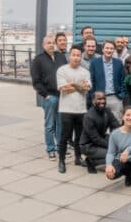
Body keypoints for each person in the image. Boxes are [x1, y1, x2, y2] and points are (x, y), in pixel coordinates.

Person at [56, 45, 91, 173]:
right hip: (66, 109)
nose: (76, 57)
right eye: (74, 55)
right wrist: (79, 86)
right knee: (64, 136)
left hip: (81, 109)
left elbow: (87, 88)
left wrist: (72, 84)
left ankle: (78, 157)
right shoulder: (62, 70)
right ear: (69, 56)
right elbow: (62, 88)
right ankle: (61, 161)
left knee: (79, 136)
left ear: (80, 57)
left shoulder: (85, 72)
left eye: (78, 55)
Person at [33, 36, 67, 159]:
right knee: (49, 125)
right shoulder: (38, 60)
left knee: (60, 124)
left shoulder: (61, 57)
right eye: (48, 43)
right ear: (43, 45)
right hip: (49, 97)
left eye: (52, 43)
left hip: (62, 96)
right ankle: (50, 148)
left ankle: (60, 147)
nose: (51, 45)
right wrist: (45, 95)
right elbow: (36, 81)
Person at [80, 90, 119, 173]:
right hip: (88, 145)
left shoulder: (107, 110)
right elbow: (96, 139)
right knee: (114, 154)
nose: (102, 101)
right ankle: (91, 161)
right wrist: (111, 146)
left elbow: (115, 124)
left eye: (104, 99)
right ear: (93, 100)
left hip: (102, 138)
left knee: (120, 148)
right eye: (99, 99)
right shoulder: (88, 117)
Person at [90, 40, 125, 119]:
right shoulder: (95, 63)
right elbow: (92, 81)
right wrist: (93, 97)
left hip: (115, 98)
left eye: (111, 48)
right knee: (99, 123)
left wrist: (121, 95)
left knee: (116, 123)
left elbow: (123, 80)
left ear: (114, 50)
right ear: (102, 49)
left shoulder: (118, 63)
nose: (109, 50)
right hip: (100, 98)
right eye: (107, 48)